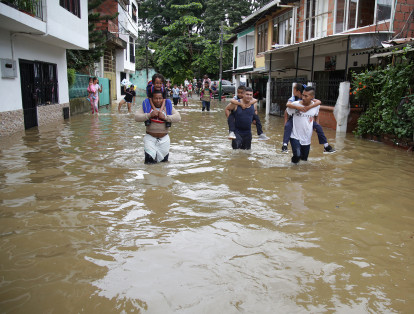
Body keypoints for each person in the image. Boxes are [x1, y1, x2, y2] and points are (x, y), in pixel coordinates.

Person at [281, 83, 335, 153]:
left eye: (293, 89)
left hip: (308, 120)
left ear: (298, 91)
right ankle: (285, 145)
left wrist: (309, 107)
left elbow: (318, 103)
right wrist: (298, 107)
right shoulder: (293, 99)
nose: (304, 97)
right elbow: (287, 106)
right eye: (303, 95)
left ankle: (326, 146)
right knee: (288, 126)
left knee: (318, 127)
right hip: (294, 118)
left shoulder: (309, 99)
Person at [134, 90, 181, 164]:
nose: (158, 100)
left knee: (163, 164)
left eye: (160, 98)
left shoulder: (167, 106)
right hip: (150, 139)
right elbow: (136, 117)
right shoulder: (146, 106)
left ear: (163, 99)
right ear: (152, 99)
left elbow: (178, 117)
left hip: (164, 139)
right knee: (149, 163)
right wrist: (149, 115)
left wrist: (165, 117)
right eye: (156, 98)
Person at [286, 86, 321, 163]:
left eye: (306, 96)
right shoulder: (295, 104)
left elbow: (316, 114)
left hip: (307, 137)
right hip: (294, 135)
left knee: (304, 160)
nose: (303, 97)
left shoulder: (316, 106)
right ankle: (292, 168)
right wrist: (286, 123)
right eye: (303, 95)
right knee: (297, 155)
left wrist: (317, 125)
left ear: (312, 97)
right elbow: (287, 111)